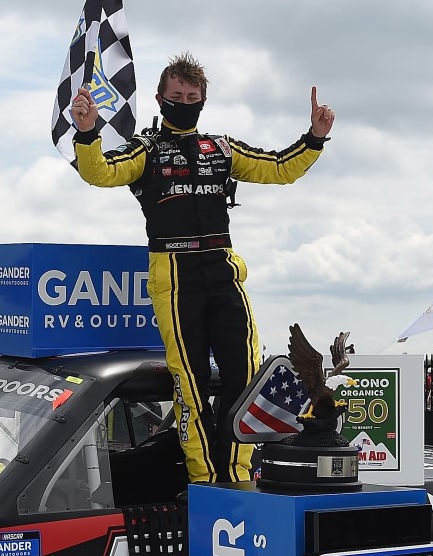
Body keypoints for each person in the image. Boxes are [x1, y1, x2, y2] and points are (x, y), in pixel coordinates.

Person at [68, 53, 334, 483]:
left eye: (192, 96)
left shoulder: (223, 147)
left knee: (245, 382)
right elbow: (100, 172)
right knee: (190, 387)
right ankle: (204, 481)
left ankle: (238, 475)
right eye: (177, 96)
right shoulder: (146, 149)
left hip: (223, 270)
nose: (185, 102)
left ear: (203, 100)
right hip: (173, 276)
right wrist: (87, 132)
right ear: (160, 98)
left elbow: (281, 169)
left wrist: (315, 138)